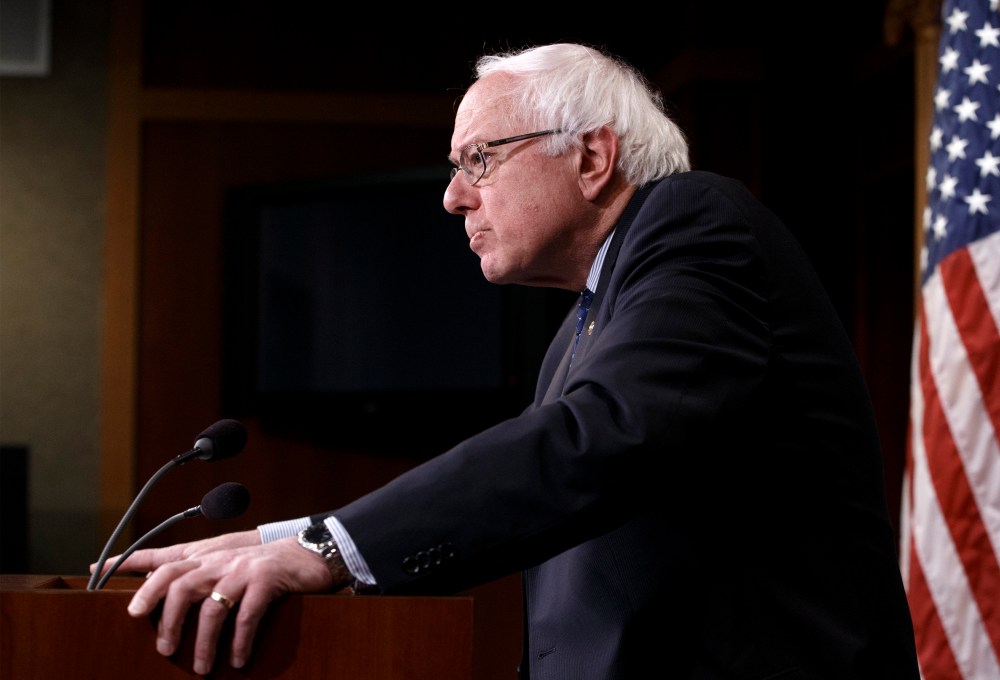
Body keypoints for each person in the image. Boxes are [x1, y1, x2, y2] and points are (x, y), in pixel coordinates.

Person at [94, 43, 920, 679]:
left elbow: (598, 442)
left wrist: (331, 548)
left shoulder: (698, 225)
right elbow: (550, 496)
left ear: (593, 159)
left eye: (478, 160)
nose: (455, 195)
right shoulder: (579, 325)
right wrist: (285, 539)